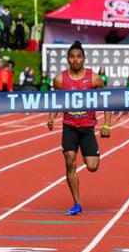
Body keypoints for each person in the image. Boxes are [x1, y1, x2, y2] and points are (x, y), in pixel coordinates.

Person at [47, 41, 111, 216]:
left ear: (84, 59)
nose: (75, 60)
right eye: (72, 57)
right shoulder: (60, 80)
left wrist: (107, 124)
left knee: (92, 166)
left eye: (79, 57)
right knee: (69, 160)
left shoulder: (94, 78)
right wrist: (52, 117)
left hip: (88, 127)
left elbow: (107, 100)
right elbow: (56, 100)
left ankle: (89, 155)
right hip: (69, 126)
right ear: (68, 59)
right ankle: (77, 202)